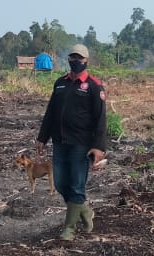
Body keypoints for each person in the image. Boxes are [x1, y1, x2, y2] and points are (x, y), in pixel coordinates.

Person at [36, 43, 107, 240]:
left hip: (81, 144)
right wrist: (42, 138)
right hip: (60, 142)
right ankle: (84, 210)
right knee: (60, 182)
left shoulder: (93, 85)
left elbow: (101, 118)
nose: (76, 61)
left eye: (80, 58)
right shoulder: (60, 83)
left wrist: (98, 147)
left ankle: (69, 228)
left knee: (76, 185)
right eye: (73, 57)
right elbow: (51, 113)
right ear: (68, 59)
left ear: (86, 61)